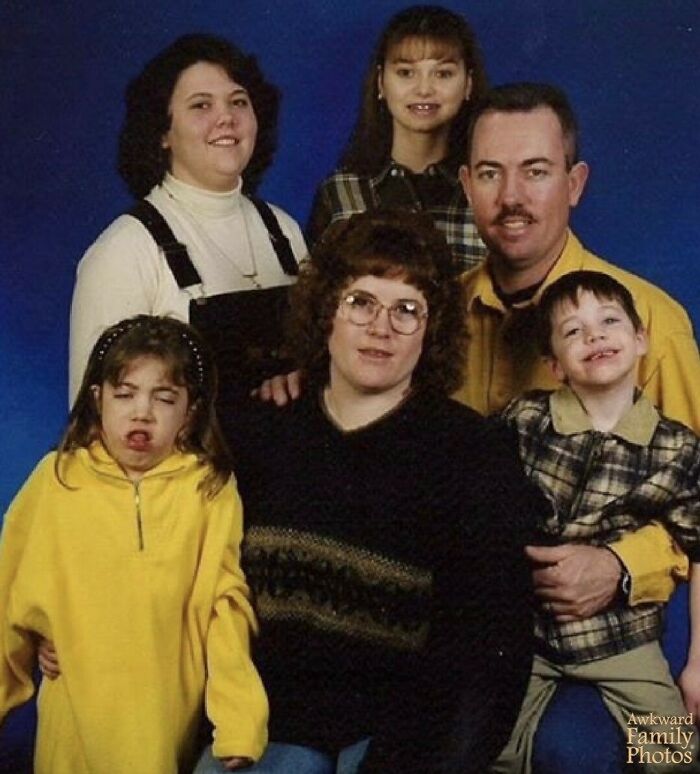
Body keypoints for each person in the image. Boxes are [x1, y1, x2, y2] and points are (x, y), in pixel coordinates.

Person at [195, 210, 545, 773]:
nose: (381, 328)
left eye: (407, 310)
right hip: (258, 730)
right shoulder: (255, 429)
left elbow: (486, 660)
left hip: (395, 743)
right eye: (361, 302)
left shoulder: (473, 454)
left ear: (431, 330)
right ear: (326, 310)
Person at [0, 316, 267, 773]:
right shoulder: (57, 479)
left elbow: (225, 607)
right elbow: (8, 594)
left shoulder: (208, 488)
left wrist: (239, 720)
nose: (141, 412)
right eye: (125, 394)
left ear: (191, 414)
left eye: (164, 399)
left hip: (162, 723)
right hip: (73, 723)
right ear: (98, 400)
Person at [493, 271, 700, 773]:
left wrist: (697, 664)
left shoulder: (676, 449)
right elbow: (475, 495)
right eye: (573, 331)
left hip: (621, 639)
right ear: (554, 366)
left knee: (676, 756)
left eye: (609, 321)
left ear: (641, 339)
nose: (594, 336)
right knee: (487, 744)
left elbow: (698, 551)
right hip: (527, 635)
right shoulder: (526, 420)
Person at [69, 34, 307, 407]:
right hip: (183, 467)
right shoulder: (125, 251)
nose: (226, 118)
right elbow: (93, 423)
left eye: (238, 102)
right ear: (163, 133)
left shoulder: (284, 231)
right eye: (201, 106)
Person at [307, 5, 488, 273]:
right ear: (381, 82)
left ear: (468, 84)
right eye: (406, 72)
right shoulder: (341, 192)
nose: (424, 89)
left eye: (443, 73)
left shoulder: (486, 191)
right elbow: (314, 302)